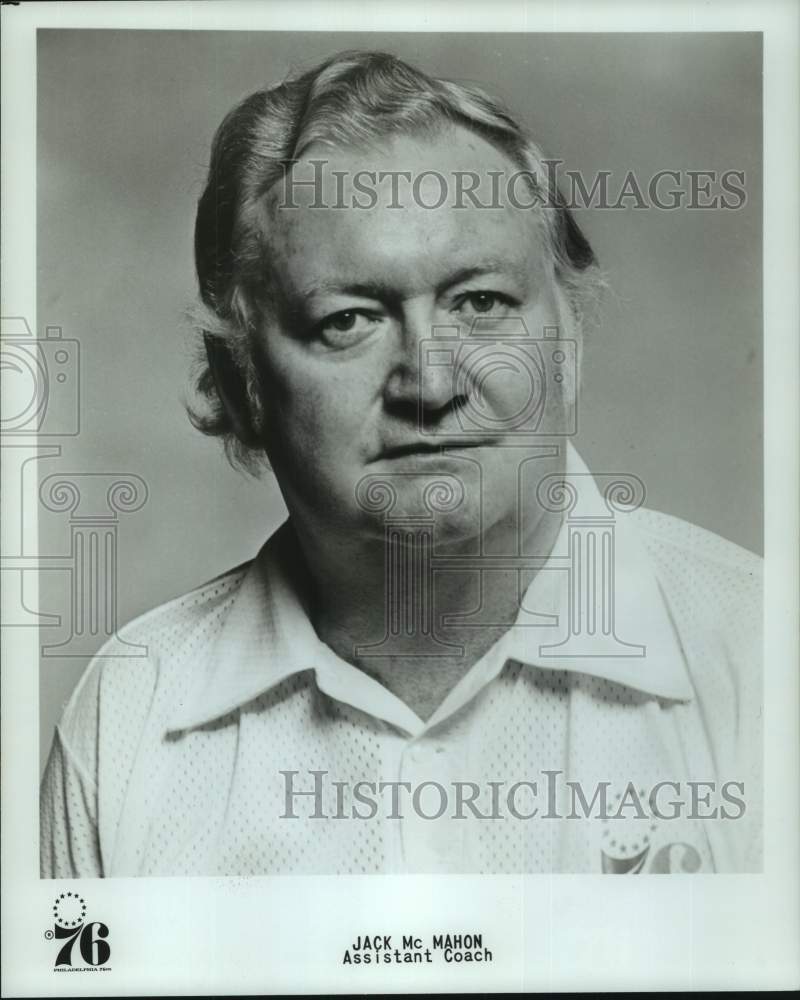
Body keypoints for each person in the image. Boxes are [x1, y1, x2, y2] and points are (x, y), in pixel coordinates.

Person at [40, 50, 762, 877]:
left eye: (481, 303)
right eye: (349, 320)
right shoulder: (131, 716)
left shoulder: (763, 659)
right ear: (241, 383)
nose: (433, 381)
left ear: (569, 342)